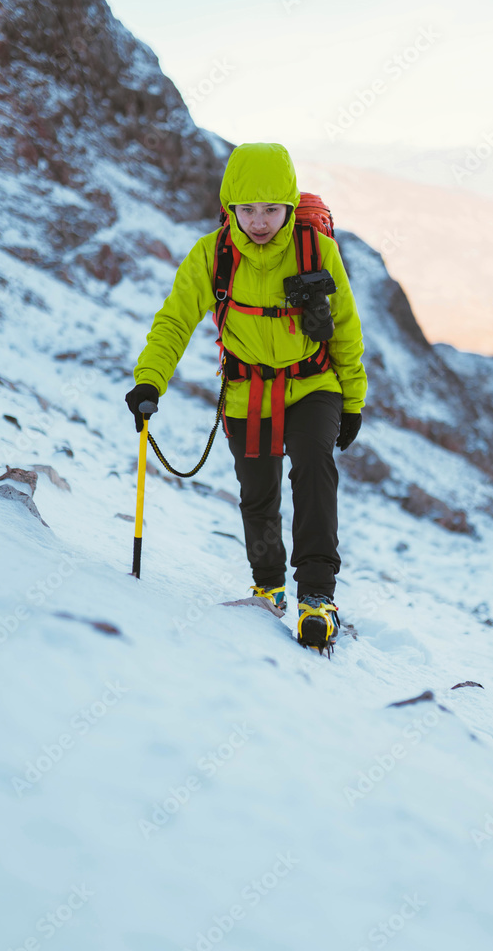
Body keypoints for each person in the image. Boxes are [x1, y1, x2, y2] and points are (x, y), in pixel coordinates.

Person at [126, 142, 367, 653]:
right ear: (230, 208)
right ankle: (269, 586)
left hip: (312, 384)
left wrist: (353, 400)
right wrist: (150, 379)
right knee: (258, 493)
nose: (260, 221)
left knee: (314, 467)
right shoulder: (212, 255)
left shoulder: (315, 250)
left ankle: (317, 597)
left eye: (272, 210)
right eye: (248, 210)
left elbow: (344, 326)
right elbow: (174, 321)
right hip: (247, 391)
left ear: (288, 205)